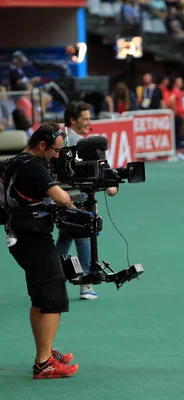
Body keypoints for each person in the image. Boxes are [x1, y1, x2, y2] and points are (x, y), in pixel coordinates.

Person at [1, 122, 79, 379]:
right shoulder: (34, 166)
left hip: (20, 238)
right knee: (53, 298)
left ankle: (44, 352)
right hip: (32, 238)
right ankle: (44, 363)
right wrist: (73, 198)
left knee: (39, 298)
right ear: (42, 145)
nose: (57, 155)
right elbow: (62, 198)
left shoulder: (15, 162)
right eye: (55, 150)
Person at [55, 101, 118, 300]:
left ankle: (52, 279)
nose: (89, 122)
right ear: (73, 120)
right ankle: (87, 284)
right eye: (86, 119)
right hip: (74, 199)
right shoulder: (77, 144)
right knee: (84, 237)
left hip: (64, 198)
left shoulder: (64, 139)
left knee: (65, 238)